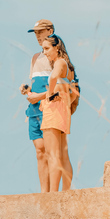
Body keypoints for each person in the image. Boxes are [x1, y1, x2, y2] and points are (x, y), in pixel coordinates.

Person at [39, 34, 79, 192]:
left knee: (52, 155)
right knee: (63, 154)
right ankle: (65, 192)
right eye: (43, 49)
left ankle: (53, 194)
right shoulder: (68, 67)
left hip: (54, 110)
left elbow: (53, 77)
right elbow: (74, 92)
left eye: (47, 48)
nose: (45, 52)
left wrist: (48, 95)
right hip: (63, 110)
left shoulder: (60, 63)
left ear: (57, 48)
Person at [20, 19, 55, 192]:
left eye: (40, 32)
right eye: (35, 33)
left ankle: (54, 192)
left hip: (50, 107)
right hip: (34, 109)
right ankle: (44, 192)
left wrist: (40, 96)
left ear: (50, 31)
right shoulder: (35, 57)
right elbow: (35, 83)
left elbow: (62, 86)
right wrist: (26, 90)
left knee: (51, 151)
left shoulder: (57, 56)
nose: (38, 36)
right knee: (39, 151)